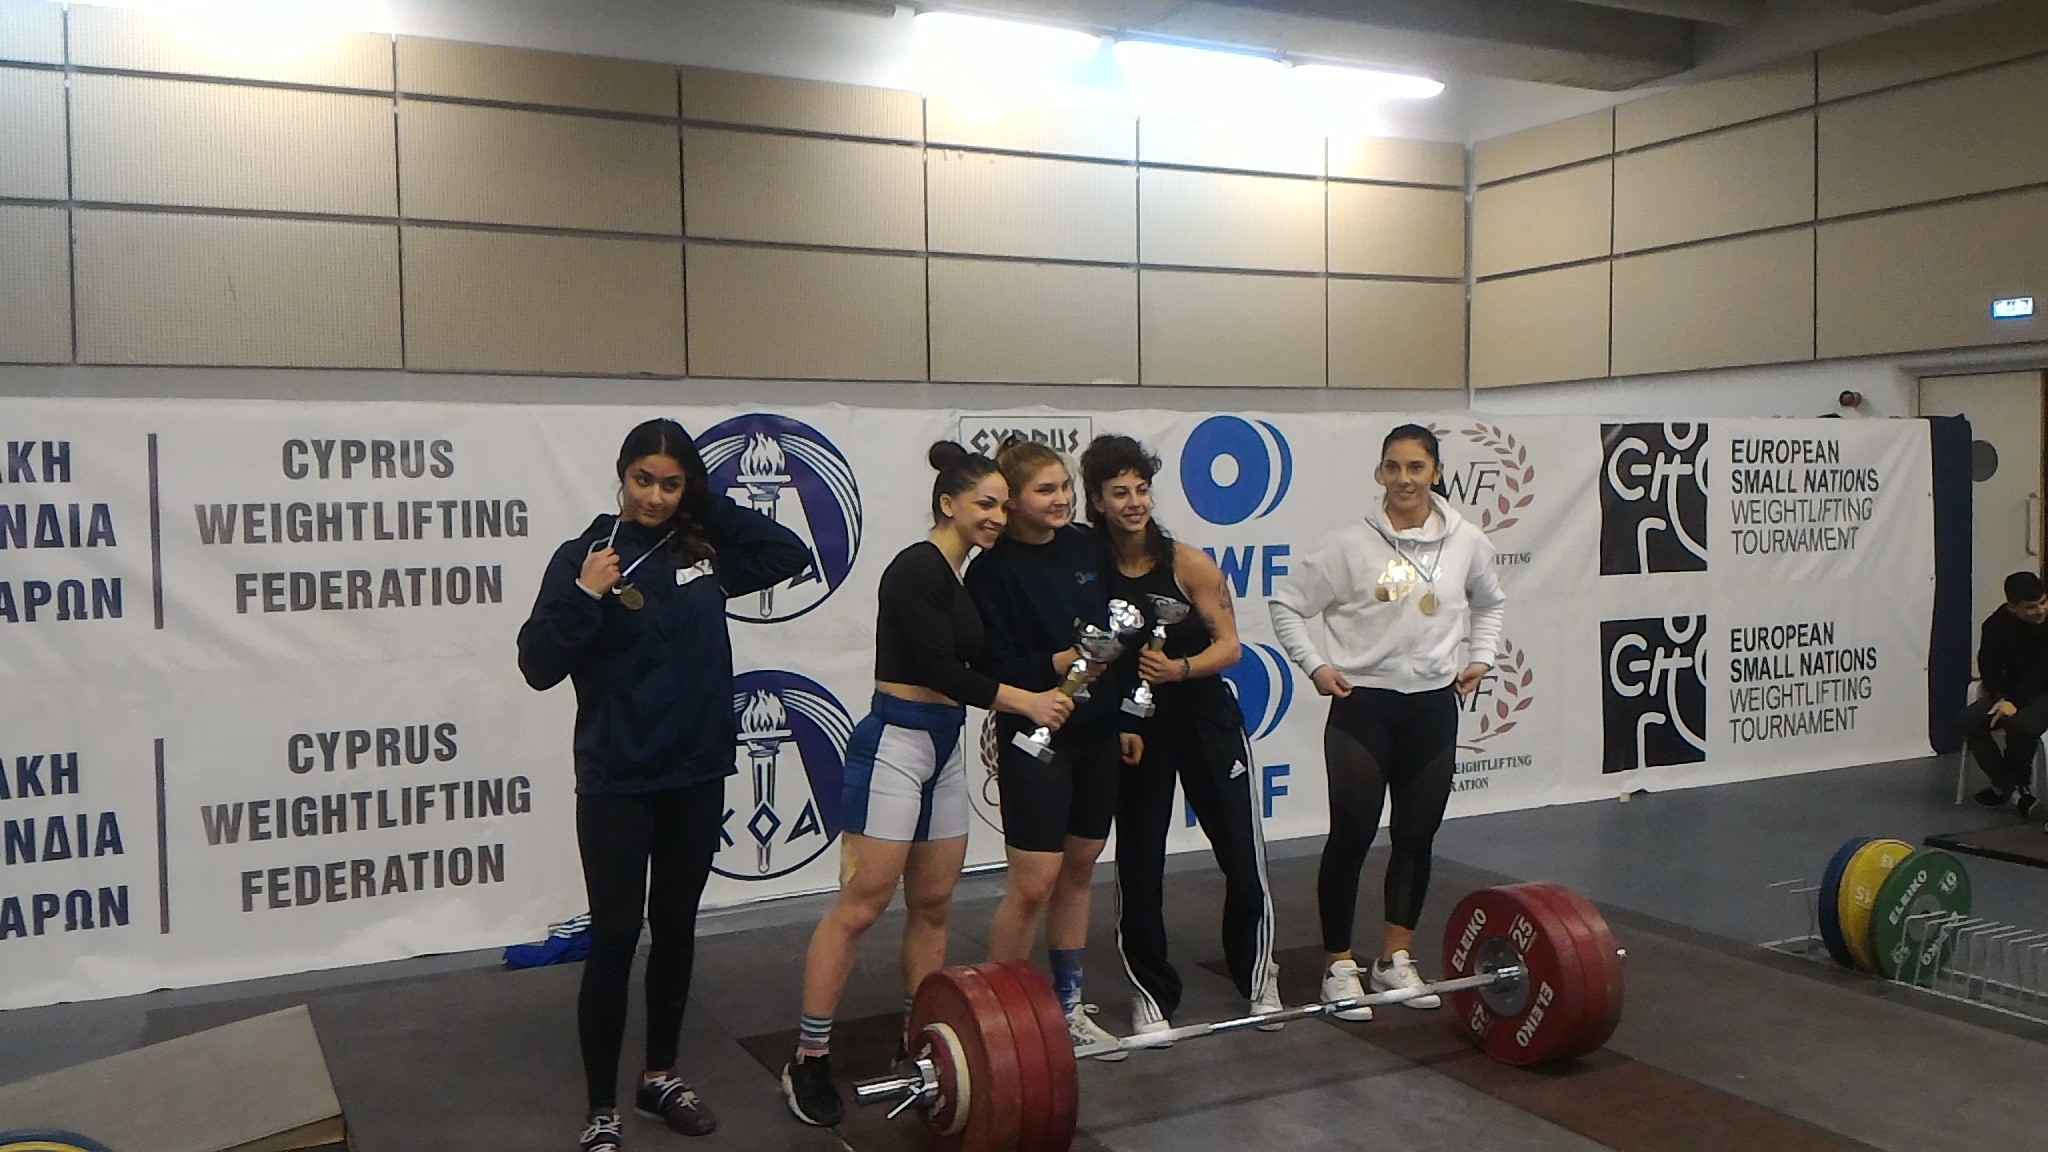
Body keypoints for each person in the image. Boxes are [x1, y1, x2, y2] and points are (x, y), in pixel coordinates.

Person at [517, 418, 808, 1152]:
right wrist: (584, 595)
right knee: (616, 936)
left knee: (676, 926)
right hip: (617, 779)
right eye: (643, 480)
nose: (654, 496)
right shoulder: (587, 556)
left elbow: (788, 552)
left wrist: (705, 505)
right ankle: (601, 1110)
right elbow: (537, 665)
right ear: (621, 477)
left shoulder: (702, 551)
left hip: (696, 772)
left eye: (672, 484)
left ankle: (660, 1077)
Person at [781, 442, 1076, 1128]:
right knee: (862, 906)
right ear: (948, 503)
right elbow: (943, 669)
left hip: (942, 746)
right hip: (896, 741)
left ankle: (919, 1042)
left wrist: (1063, 661)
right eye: (984, 504)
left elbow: (977, 661)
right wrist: (1026, 701)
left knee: (935, 904)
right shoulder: (915, 568)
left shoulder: (962, 574)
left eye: (1003, 505)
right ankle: (809, 1059)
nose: (997, 516)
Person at [1266, 424, 1505, 1021]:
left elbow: (1490, 602)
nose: (1404, 479)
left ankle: (1394, 959)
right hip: (1363, 706)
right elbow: (1287, 603)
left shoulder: (1467, 542)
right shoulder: (1349, 544)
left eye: (1416, 467)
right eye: (1393, 467)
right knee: (1351, 834)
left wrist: (1481, 657)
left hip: (1432, 707)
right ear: (1378, 473)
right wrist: (1316, 666)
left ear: (1437, 473)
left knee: (1416, 837)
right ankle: (1338, 965)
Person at [1078, 434, 1284, 1041]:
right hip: (1137, 730)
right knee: (1140, 864)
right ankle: (1150, 994)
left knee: (1242, 856)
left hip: (1205, 719)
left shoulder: (1189, 563)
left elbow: (1231, 647)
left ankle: (1259, 976)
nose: (1135, 502)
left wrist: (1181, 669)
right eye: (1120, 492)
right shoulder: (1089, 570)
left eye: (1142, 489)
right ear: (1098, 501)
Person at [965, 438, 1142, 1059]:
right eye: (1046, 490)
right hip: (1034, 735)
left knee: (1081, 867)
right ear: (1013, 501)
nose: (1062, 498)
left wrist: (1126, 714)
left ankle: (1067, 1005)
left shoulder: (1086, 545)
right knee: (1034, 882)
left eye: (1065, 486)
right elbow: (989, 666)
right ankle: (998, 1017)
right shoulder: (990, 570)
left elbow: (1115, 633)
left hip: (1097, 732)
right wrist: (1057, 662)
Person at [1961, 570, 2048, 818]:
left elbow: (2043, 671)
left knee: (2021, 726)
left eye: (2043, 602)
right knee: (1969, 721)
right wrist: (1999, 696)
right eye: (2031, 607)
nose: (2040, 610)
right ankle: (2012, 788)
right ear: (2012, 607)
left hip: (2043, 691)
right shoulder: (1996, 625)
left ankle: (2012, 786)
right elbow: (1988, 664)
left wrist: (2013, 702)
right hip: (2010, 691)